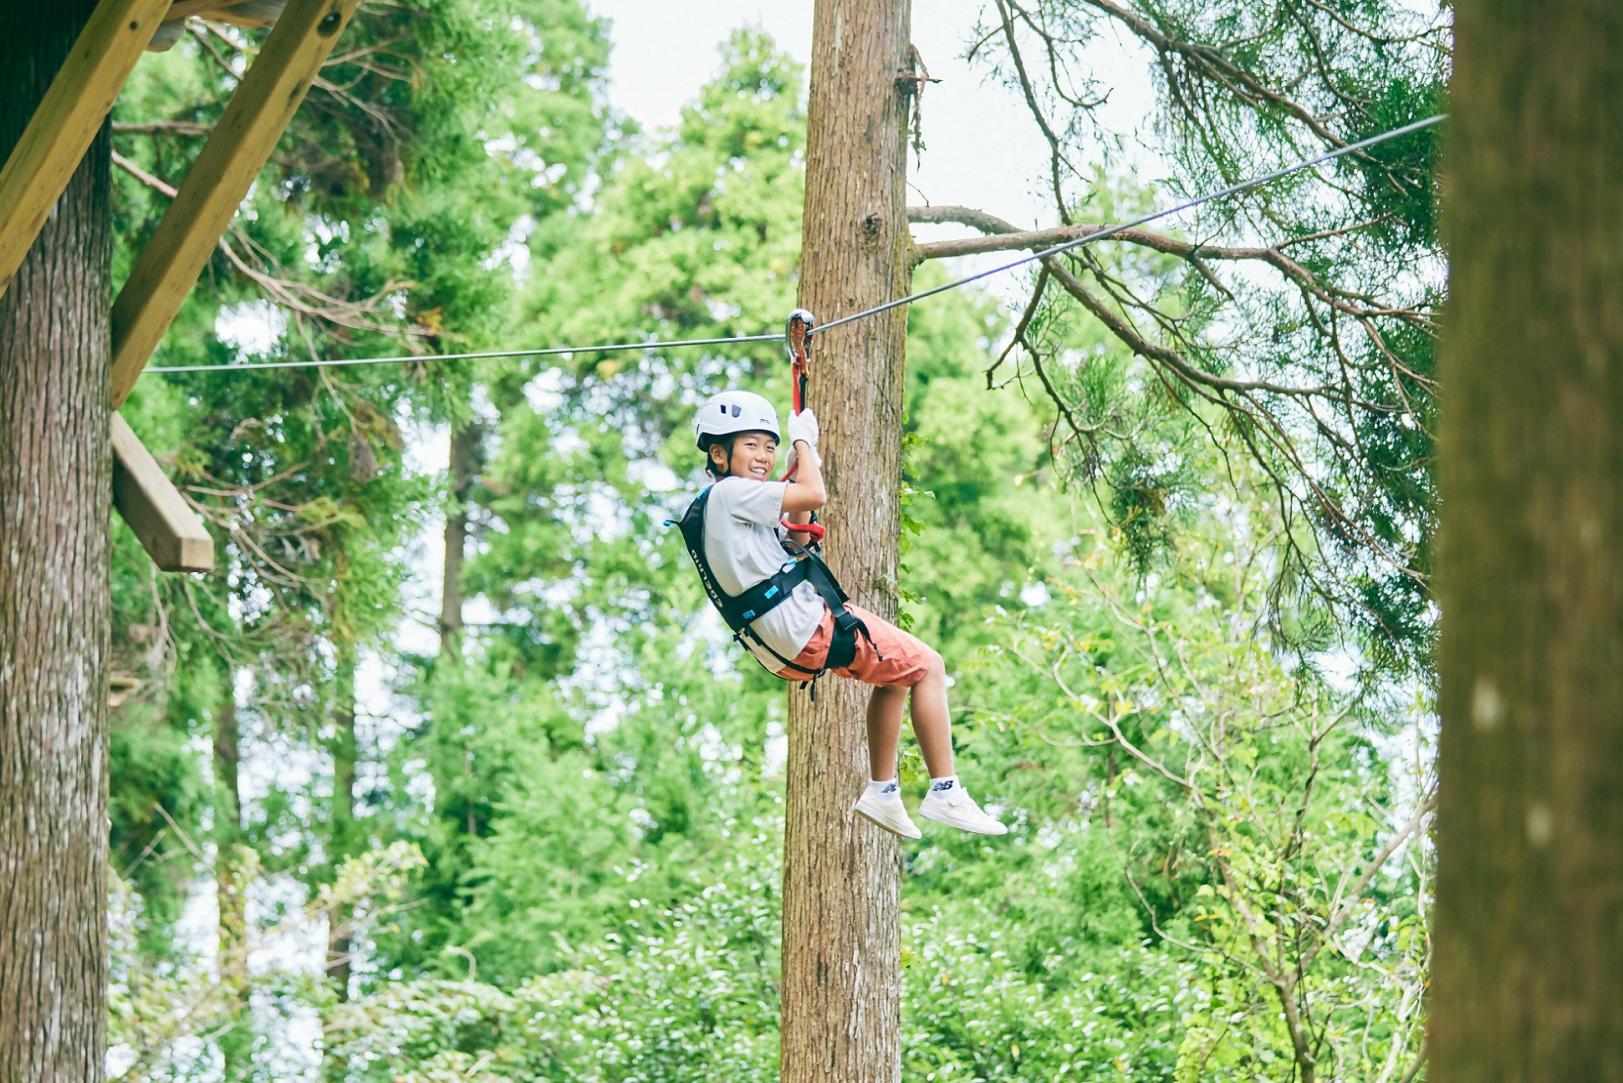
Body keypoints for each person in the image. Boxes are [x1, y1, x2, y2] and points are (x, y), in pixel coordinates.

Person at [679, 388, 1006, 838]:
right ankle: (945, 790)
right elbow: (815, 491)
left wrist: (796, 530)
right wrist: (803, 443)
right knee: (930, 665)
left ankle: (882, 791)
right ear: (718, 453)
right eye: (750, 445)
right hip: (806, 628)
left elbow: (790, 541)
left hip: (785, 645)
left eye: (770, 446)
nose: (764, 456)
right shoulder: (734, 494)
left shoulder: (717, 506)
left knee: (897, 676)